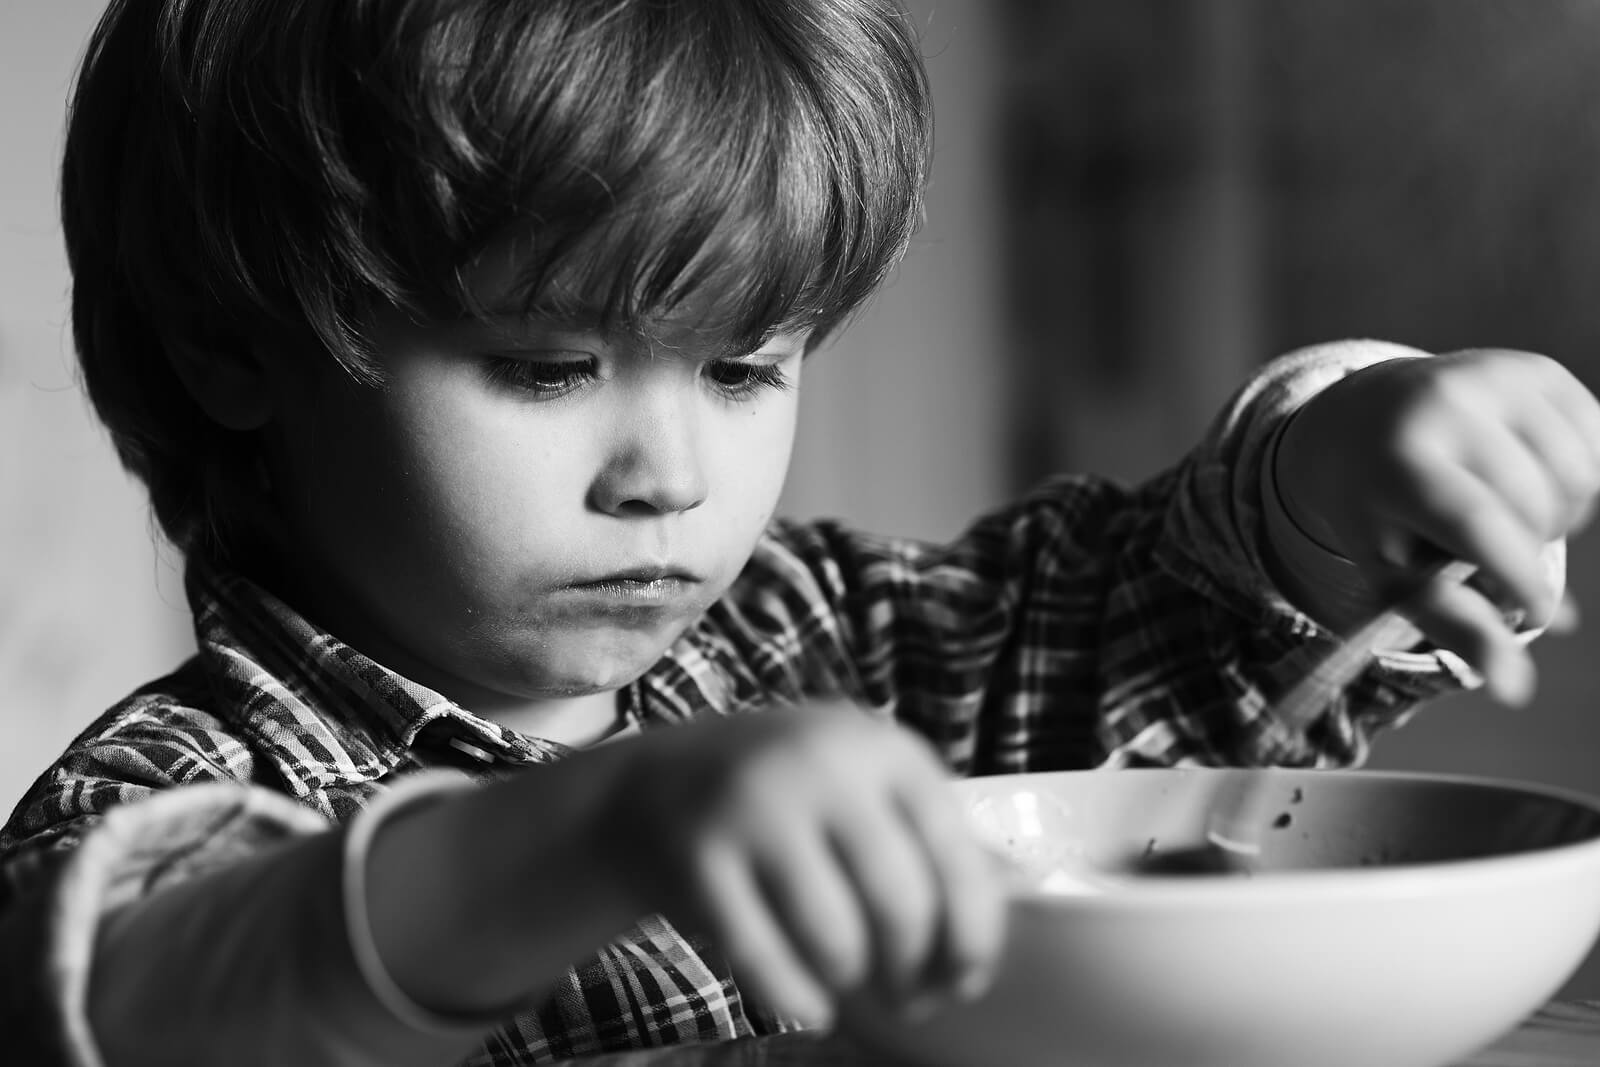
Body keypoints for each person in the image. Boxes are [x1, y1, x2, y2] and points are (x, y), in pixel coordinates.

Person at [1, 0, 1595, 1064]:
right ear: (233, 346)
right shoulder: (177, 803)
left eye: (744, 367)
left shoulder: (815, 645)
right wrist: (595, 831)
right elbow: (131, 997)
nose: (670, 476)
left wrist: (1344, 478)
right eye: (546, 367)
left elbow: (1147, 611)